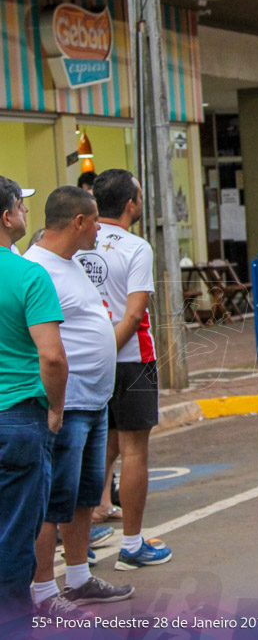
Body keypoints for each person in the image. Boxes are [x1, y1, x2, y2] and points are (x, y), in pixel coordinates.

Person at [23, 187, 134, 617]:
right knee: (52, 501)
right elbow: (42, 347)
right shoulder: (37, 269)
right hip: (64, 407)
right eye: (96, 223)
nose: (101, 233)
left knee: (84, 497)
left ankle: (78, 577)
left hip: (93, 401)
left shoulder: (70, 265)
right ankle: (44, 590)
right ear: (79, 223)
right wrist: (53, 404)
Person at [75, 169, 172, 570]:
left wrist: (92, 357)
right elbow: (134, 316)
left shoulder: (74, 245)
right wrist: (105, 353)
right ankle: (132, 545)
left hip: (80, 362)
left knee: (88, 449)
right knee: (134, 450)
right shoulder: (136, 247)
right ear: (131, 205)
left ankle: (77, 543)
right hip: (130, 358)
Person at [0, 178, 67, 631]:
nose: (27, 213)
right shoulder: (28, 275)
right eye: (21, 207)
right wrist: (57, 409)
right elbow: (52, 356)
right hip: (19, 417)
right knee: (13, 538)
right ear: (7, 217)